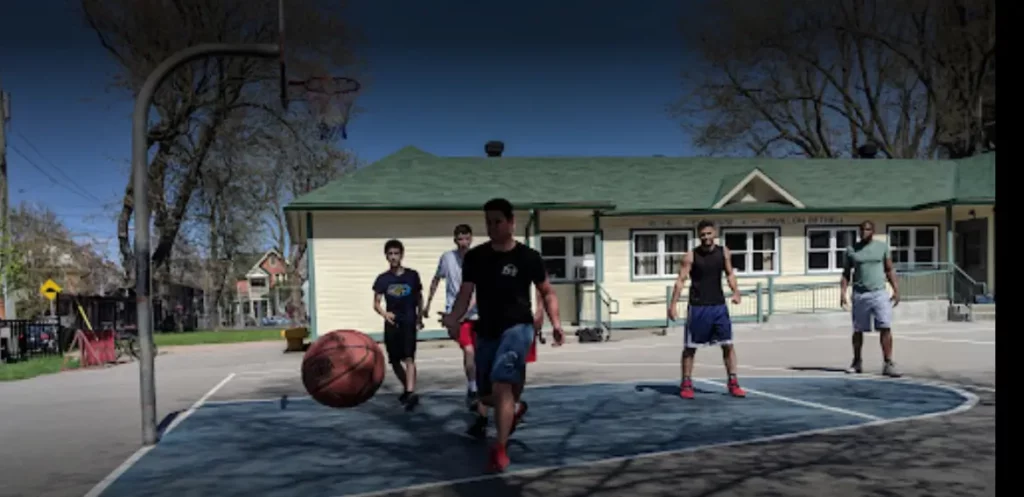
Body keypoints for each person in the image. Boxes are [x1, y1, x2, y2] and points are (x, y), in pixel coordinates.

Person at [443, 198, 565, 473]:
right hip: (487, 330)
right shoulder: (476, 257)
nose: (492, 226)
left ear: (511, 222)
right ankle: (515, 408)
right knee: (486, 397)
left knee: (501, 385)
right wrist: (453, 318)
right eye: (488, 222)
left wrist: (555, 322)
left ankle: (499, 448)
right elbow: (465, 293)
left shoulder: (528, 257)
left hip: (518, 328)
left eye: (497, 221)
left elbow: (547, 291)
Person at [667, 220, 746, 400]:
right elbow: (680, 280)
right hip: (698, 307)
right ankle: (686, 382)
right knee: (690, 348)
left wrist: (736, 292)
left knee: (728, 344)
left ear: (715, 234)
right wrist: (672, 305)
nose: (706, 237)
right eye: (702, 235)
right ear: (698, 236)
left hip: (718, 306)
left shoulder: (723, 252)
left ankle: (733, 381)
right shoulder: (691, 256)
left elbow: (730, 274)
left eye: (709, 234)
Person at [423, 224, 480, 410]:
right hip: (456, 315)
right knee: (468, 350)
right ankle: (472, 389)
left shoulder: (479, 259)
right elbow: (436, 279)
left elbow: (478, 292)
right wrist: (428, 304)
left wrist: (465, 311)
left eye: (466, 238)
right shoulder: (447, 258)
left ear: (471, 239)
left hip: (477, 313)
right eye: (460, 239)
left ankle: (479, 388)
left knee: (480, 354)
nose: (463, 242)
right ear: (455, 240)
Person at [840, 220, 902, 377]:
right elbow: (846, 273)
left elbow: (889, 269)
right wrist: (843, 293)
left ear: (873, 231)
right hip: (860, 294)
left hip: (879, 293)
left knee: (885, 326)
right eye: (861, 229)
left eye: (867, 229)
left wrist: (896, 289)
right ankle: (857, 362)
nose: (864, 232)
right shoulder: (852, 250)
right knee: (858, 330)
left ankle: (888, 363)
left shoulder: (882, 247)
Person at [372, 239, 425, 411]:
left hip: (409, 320)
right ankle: (407, 388)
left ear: (401, 255)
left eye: (396, 253)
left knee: (409, 357)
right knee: (394, 360)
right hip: (392, 323)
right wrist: (384, 314)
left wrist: (419, 317)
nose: (393, 257)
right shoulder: (383, 279)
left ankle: (410, 392)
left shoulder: (412, 275)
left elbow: (419, 298)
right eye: (390, 254)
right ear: (386, 256)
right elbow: (376, 303)